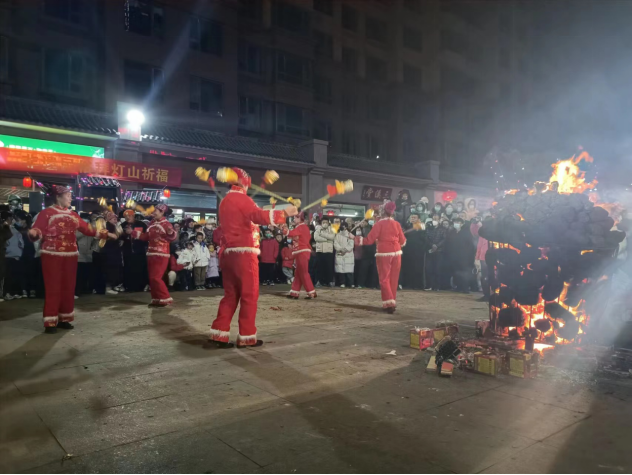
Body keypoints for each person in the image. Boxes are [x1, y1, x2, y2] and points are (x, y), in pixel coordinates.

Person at [200, 167, 297, 348]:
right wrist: (284, 213)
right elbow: (257, 215)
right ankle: (246, 336)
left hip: (229, 253)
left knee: (230, 295)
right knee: (249, 295)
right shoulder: (241, 199)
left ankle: (219, 333)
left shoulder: (226, 201)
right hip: (244, 253)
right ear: (244, 181)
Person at [28, 185, 108, 333]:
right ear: (58, 197)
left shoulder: (73, 214)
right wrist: (34, 233)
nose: (71, 197)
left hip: (71, 254)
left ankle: (65, 318)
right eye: (68, 195)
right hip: (52, 254)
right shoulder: (46, 213)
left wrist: (102, 233)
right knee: (53, 287)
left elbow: (86, 228)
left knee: (68, 287)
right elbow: (38, 228)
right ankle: (50, 321)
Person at [355, 201, 406, 313]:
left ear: (382, 211)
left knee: (384, 279)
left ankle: (389, 304)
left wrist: (354, 238)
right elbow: (403, 241)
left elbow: (368, 240)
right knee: (393, 279)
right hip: (397, 252)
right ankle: (392, 301)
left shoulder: (379, 225)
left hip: (384, 253)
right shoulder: (397, 224)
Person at [133, 203, 178, 306]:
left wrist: (171, 233)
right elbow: (145, 237)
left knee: (156, 278)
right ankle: (156, 299)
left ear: (162, 212)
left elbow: (172, 238)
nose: (154, 212)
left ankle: (165, 298)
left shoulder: (166, 224)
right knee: (152, 278)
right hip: (151, 254)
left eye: (156, 211)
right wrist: (133, 233)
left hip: (161, 254)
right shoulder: (151, 223)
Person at [284, 211, 316, 299]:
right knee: (298, 273)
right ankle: (294, 293)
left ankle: (311, 292)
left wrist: (284, 229)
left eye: (296, 217)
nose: (294, 219)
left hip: (301, 251)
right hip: (301, 251)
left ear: (300, 218)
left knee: (303, 273)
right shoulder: (302, 227)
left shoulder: (301, 227)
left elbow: (291, 233)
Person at [446, 217, 476, 293]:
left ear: (462, 224)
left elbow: (470, 245)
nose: (456, 224)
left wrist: (469, 256)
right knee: (456, 272)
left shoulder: (466, 233)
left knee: (464, 272)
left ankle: (465, 288)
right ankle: (458, 286)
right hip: (454, 255)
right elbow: (448, 243)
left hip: (464, 256)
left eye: (458, 222)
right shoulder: (452, 232)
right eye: (455, 222)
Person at [122, 209, 148, 292]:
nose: (128, 218)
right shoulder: (122, 225)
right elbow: (120, 237)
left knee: (140, 269)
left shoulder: (141, 224)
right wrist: (125, 234)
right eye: (126, 216)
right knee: (128, 269)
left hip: (139, 251)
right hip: (128, 251)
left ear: (133, 215)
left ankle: (141, 286)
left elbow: (146, 236)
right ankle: (129, 287)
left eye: (129, 215)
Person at [401, 213, 426, 290]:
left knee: (417, 268)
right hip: (407, 251)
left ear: (418, 219)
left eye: (415, 217)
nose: (413, 219)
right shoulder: (406, 226)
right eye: (412, 217)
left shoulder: (422, 227)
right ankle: (407, 284)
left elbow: (424, 239)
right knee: (407, 267)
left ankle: (418, 285)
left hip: (418, 252)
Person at [4, 210, 25, 300]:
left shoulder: (8, 229)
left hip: (7, 255)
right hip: (15, 255)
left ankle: (9, 293)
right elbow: (21, 244)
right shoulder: (15, 230)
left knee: (9, 275)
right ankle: (11, 292)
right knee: (13, 275)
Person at [102, 211, 123, 294]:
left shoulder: (114, 226)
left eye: (116, 218)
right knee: (109, 269)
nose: (115, 220)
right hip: (109, 251)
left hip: (114, 250)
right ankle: (108, 287)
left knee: (114, 269)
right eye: (113, 218)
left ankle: (113, 285)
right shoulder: (107, 226)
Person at [425, 215, 448, 291]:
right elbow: (426, 238)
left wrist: (437, 246)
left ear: (439, 220)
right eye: (433, 219)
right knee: (429, 269)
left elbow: (444, 239)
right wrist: (432, 245)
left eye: (436, 219)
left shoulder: (443, 229)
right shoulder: (428, 228)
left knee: (437, 269)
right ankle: (429, 285)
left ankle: (437, 286)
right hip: (430, 250)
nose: (435, 220)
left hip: (439, 251)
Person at [75, 212, 95, 297]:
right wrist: (84, 231)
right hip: (80, 255)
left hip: (88, 254)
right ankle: (77, 290)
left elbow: (93, 240)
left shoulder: (91, 227)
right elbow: (75, 237)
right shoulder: (77, 228)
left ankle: (86, 289)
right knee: (79, 275)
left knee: (86, 274)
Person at [314, 217, 335, 287]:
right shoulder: (318, 229)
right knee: (319, 267)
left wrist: (322, 235)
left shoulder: (331, 229)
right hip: (320, 251)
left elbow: (332, 237)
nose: (325, 224)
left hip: (328, 251)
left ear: (328, 223)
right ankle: (319, 281)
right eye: (323, 222)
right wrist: (326, 239)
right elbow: (316, 238)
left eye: (326, 222)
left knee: (329, 267)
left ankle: (329, 281)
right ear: (321, 223)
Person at [0, 209, 15, 301]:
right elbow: (8, 235)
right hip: (1, 252)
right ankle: (1, 294)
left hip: (2, 252)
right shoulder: (2, 227)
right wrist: (6, 226)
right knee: (1, 273)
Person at [334, 222, 354, 288]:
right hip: (340, 253)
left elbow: (351, 244)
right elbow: (335, 243)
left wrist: (345, 250)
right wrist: (340, 250)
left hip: (348, 254)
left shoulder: (350, 235)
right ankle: (342, 283)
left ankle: (350, 283)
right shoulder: (337, 235)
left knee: (349, 270)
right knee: (341, 270)